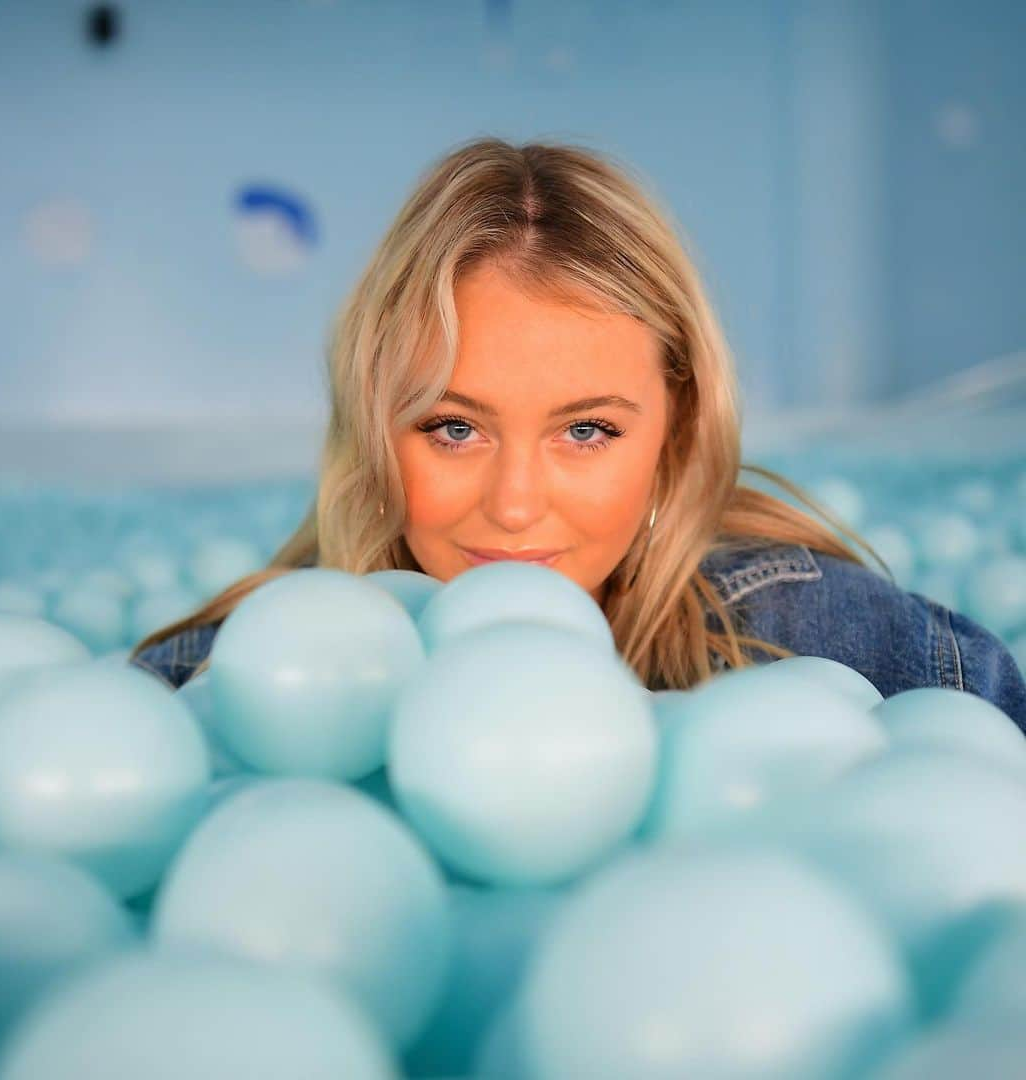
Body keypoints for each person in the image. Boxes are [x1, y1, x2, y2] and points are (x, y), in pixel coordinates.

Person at [128, 137, 1026, 730]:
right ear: (375, 428)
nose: (516, 507)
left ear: (675, 432)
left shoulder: (817, 640)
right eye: (453, 427)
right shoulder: (231, 683)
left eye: (588, 431)